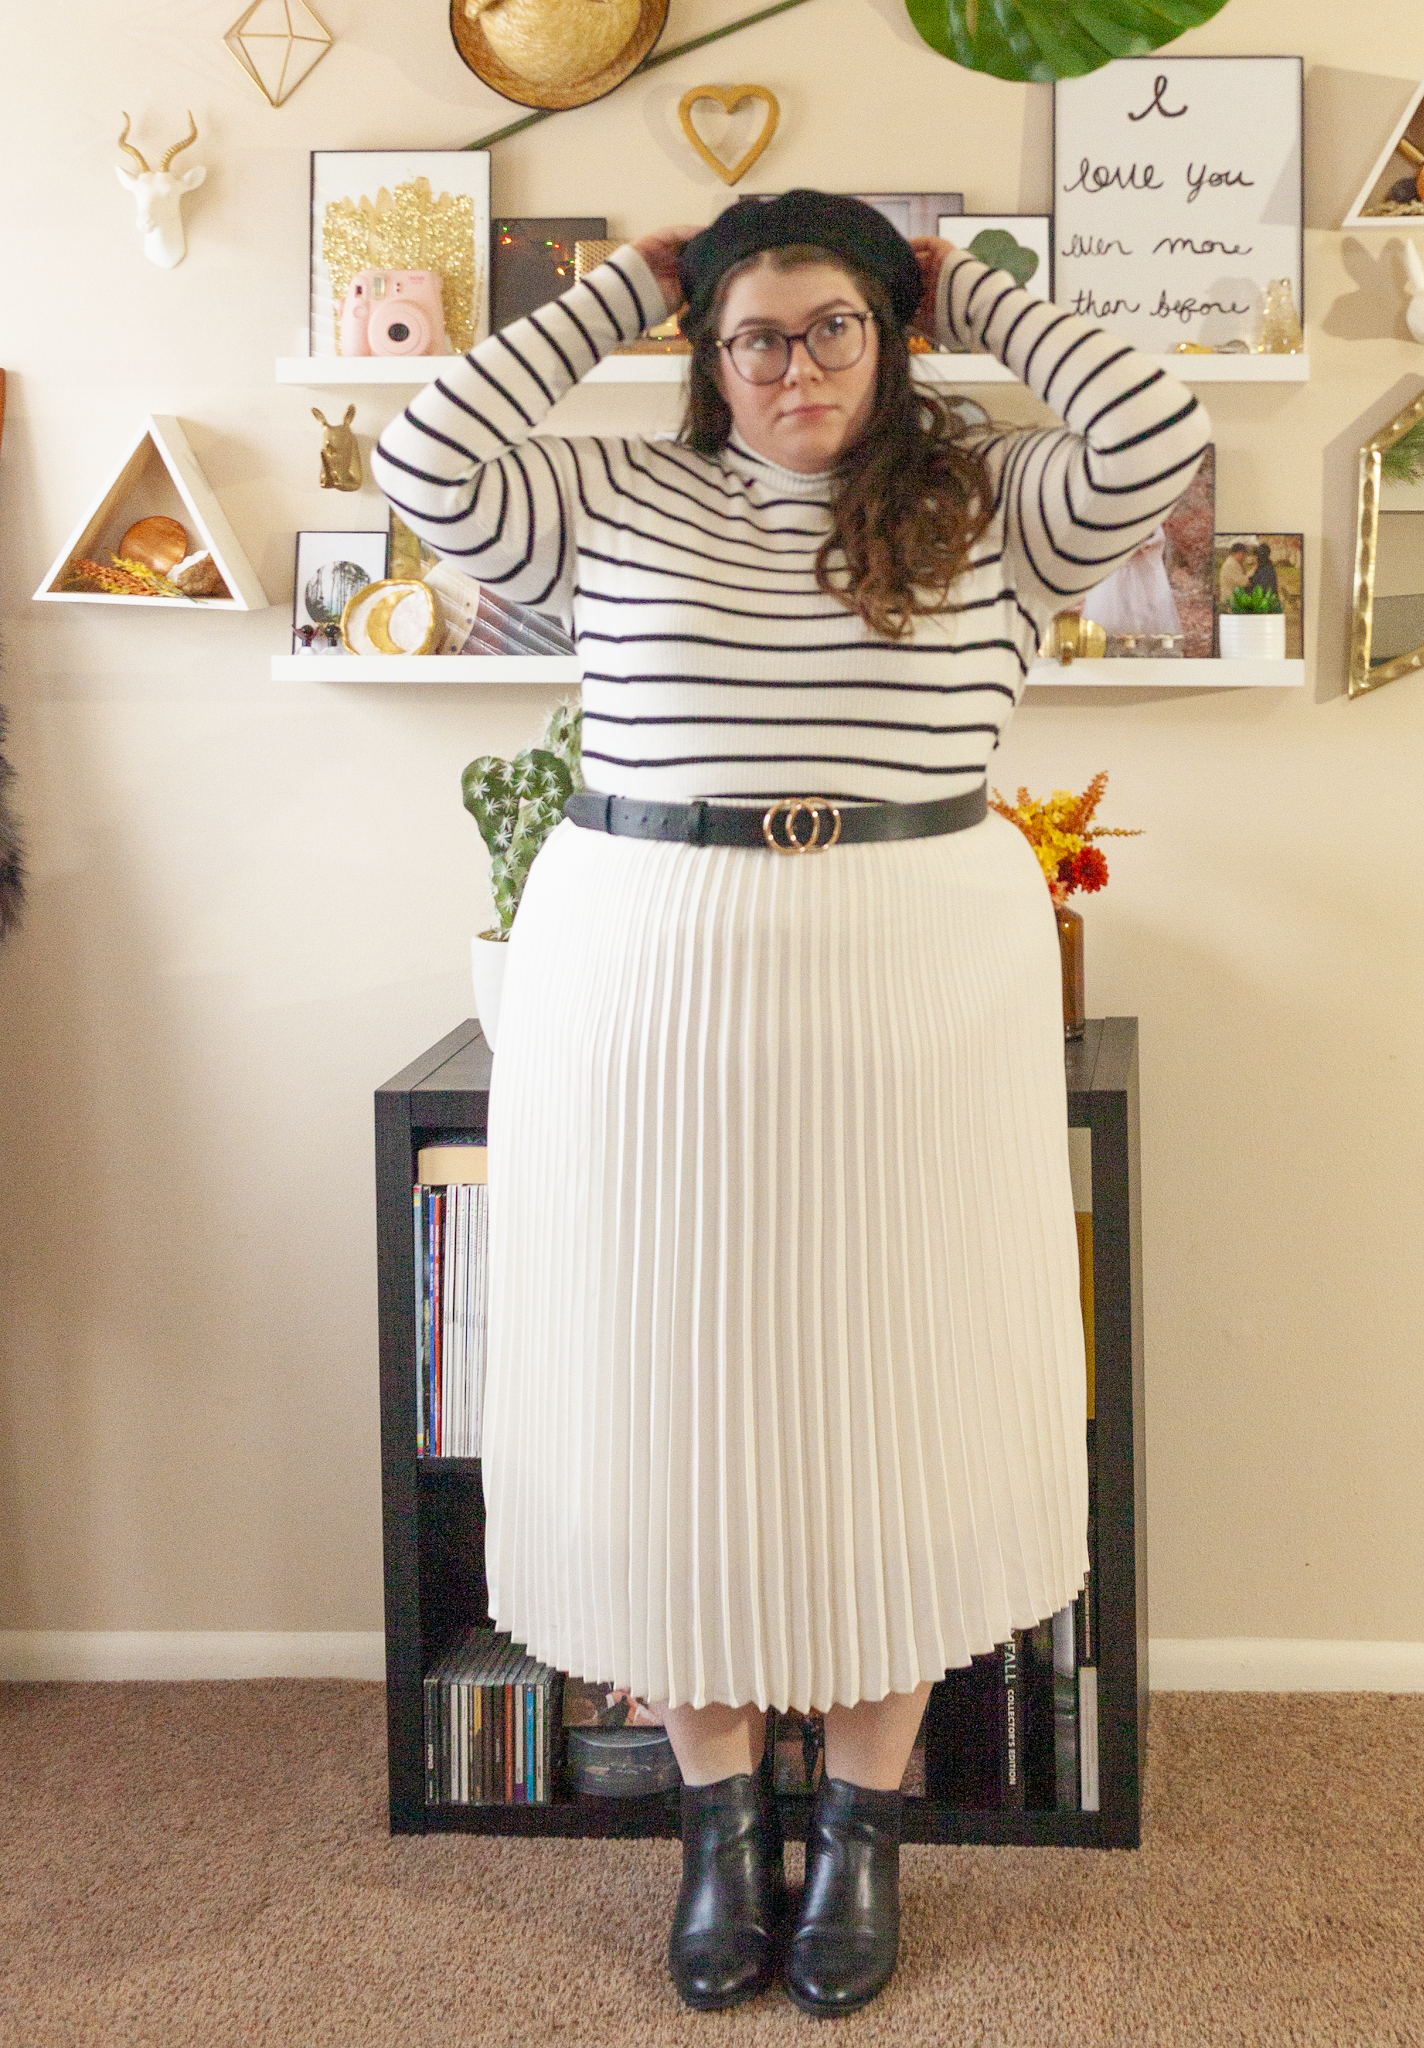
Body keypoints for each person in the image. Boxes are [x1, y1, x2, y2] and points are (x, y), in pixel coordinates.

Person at [374, 190, 1208, 2019]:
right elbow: (423, 444)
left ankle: (859, 1828)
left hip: (914, 975)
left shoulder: (988, 506)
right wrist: (632, 279)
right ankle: (712, 1829)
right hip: (644, 977)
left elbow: (1155, 430)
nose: (795, 366)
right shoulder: (613, 500)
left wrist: (957, 271)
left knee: (891, 1380)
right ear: (706, 351)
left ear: (889, 334)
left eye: (835, 325)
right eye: (754, 333)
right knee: (663, 1392)